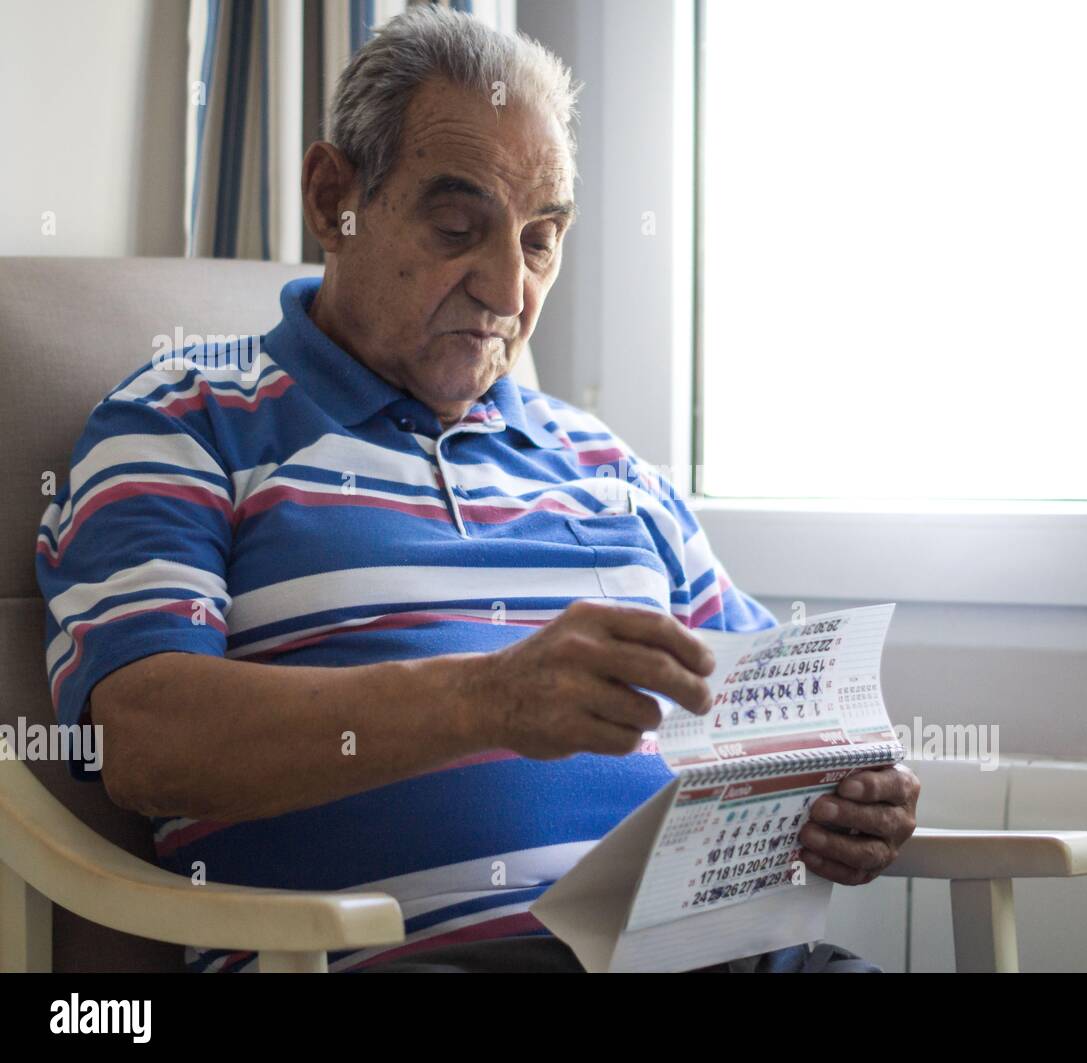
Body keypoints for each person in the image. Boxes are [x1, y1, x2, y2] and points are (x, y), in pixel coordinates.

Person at [35, 5, 917, 973]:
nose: (507, 290)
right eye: (459, 227)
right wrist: (483, 701)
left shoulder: (607, 468)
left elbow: (773, 716)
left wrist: (844, 789)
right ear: (335, 198)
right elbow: (147, 743)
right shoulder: (185, 418)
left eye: (541, 240)